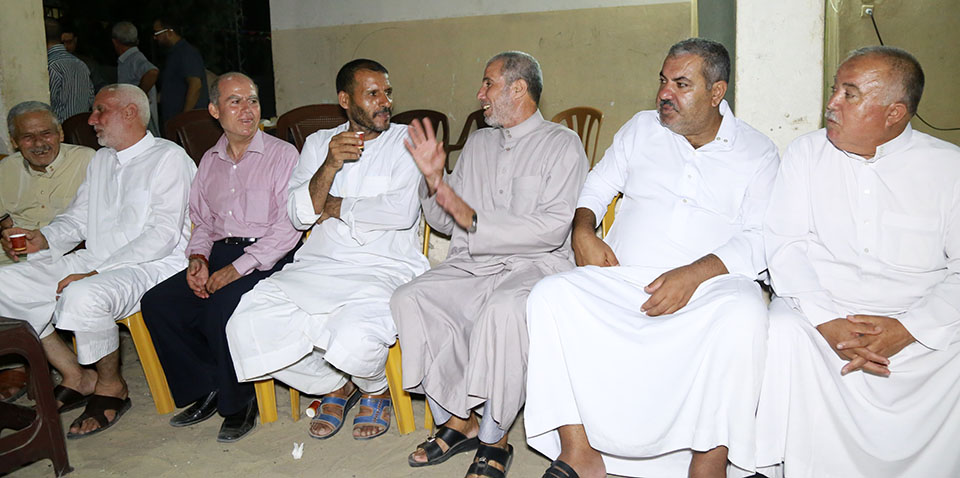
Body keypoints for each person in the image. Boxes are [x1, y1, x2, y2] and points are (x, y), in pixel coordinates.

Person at [523, 38, 780, 478]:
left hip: (710, 289)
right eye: (663, 81)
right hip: (623, 278)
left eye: (681, 84)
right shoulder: (642, 128)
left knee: (746, 312)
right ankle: (580, 452)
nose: (664, 93)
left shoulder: (757, 151)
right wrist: (582, 230)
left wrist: (694, 275)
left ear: (716, 93)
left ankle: (709, 461)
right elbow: (597, 186)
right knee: (549, 295)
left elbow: (760, 238)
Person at [756, 46, 960, 478]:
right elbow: (785, 246)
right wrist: (828, 321)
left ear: (894, 114)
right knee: (784, 329)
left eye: (849, 94)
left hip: (915, 322)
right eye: (834, 89)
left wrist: (909, 329)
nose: (831, 103)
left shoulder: (949, 168)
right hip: (823, 316)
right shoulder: (806, 154)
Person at [392, 51, 588, 478]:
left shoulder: (561, 144)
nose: (480, 94)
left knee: (503, 310)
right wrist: (434, 181)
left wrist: (476, 221)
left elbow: (553, 229)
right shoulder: (479, 144)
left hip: (535, 265)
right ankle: (458, 419)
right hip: (474, 263)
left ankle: (495, 438)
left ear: (518, 89)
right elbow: (445, 222)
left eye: (488, 84)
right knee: (411, 298)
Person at [226, 59, 428, 441]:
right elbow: (299, 214)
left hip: (384, 267)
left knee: (355, 336)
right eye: (373, 93)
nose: (385, 101)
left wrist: (335, 206)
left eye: (387, 92)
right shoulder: (320, 144)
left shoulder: (409, 141)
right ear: (345, 100)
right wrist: (330, 165)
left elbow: (400, 213)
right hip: (318, 267)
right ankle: (335, 383)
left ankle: (374, 388)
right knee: (245, 324)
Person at [0, 84, 195, 438]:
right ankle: (76, 375)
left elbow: (162, 236)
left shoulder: (169, 158)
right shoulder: (103, 159)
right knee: (6, 284)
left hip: (154, 265)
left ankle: (111, 386)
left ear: (130, 112)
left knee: (85, 294)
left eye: (100, 110)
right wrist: (44, 238)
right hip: (97, 257)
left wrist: (96, 272)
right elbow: (78, 218)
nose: (91, 120)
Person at [140, 72, 300, 442]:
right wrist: (198, 258)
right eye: (235, 101)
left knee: (220, 307)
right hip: (220, 251)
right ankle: (207, 385)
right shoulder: (209, 161)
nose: (248, 110)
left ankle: (240, 401)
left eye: (253, 100)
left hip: (269, 255)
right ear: (214, 110)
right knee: (159, 303)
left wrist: (236, 269)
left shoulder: (282, 155)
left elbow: (287, 228)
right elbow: (203, 221)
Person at [0, 100, 94, 403]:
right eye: (28, 137)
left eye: (46, 133)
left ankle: (19, 364)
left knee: (10, 285)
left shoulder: (88, 161)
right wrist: (4, 230)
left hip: (66, 253)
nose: (39, 143)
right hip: (13, 253)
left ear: (61, 133)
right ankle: (22, 361)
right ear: (14, 142)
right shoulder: (6, 169)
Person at [152, 17, 209, 129]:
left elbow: (195, 85)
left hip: (188, 124)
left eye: (157, 33)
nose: (155, 37)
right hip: (175, 121)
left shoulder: (186, 53)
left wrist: (184, 119)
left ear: (169, 32)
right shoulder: (172, 54)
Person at [112, 21, 160, 136]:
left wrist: (138, 95)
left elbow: (152, 72)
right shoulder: (128, 59)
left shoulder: (134, 58)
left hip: (142, 124)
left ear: (115, 42)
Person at [45, 17, 94, 122]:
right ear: (60, 36)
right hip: (81, 127)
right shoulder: (81, 64)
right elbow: (90, 99)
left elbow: (46, 104)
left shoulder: (50, 65)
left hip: (59, 128)